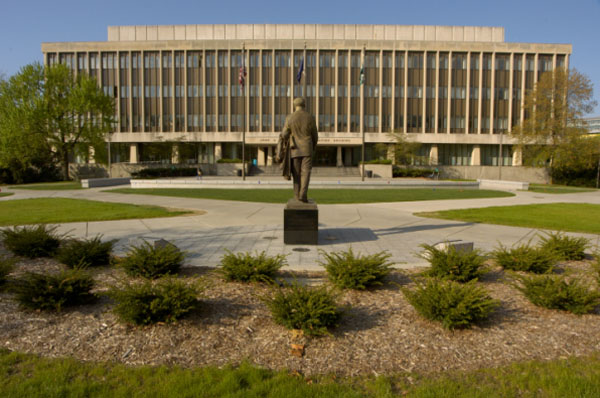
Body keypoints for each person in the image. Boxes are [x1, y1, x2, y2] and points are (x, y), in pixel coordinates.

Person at [280, 97, 318, 202]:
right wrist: (313, 146)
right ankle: (303, 194)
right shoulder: (310, 117)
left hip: (294, 149)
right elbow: (315, 135)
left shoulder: (290, 118)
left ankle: (297, 196)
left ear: (294, 105)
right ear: (304, 105)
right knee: (306, 172)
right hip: (307, 148)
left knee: (296, 174)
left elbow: (284, 134)